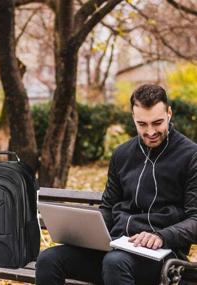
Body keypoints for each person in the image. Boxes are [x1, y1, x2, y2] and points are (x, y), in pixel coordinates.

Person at [35, 84, 197, 285]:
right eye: (142, 124)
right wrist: (86, 229)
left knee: (115, 262)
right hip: (116, 248)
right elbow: (109, 207)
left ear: (169, 113)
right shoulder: (122, 154)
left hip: (164, 256)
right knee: (48, 260)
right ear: (133, 118)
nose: (151, 131)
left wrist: (161, 236)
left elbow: (195, 218)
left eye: (157, 123)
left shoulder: (191, 156)